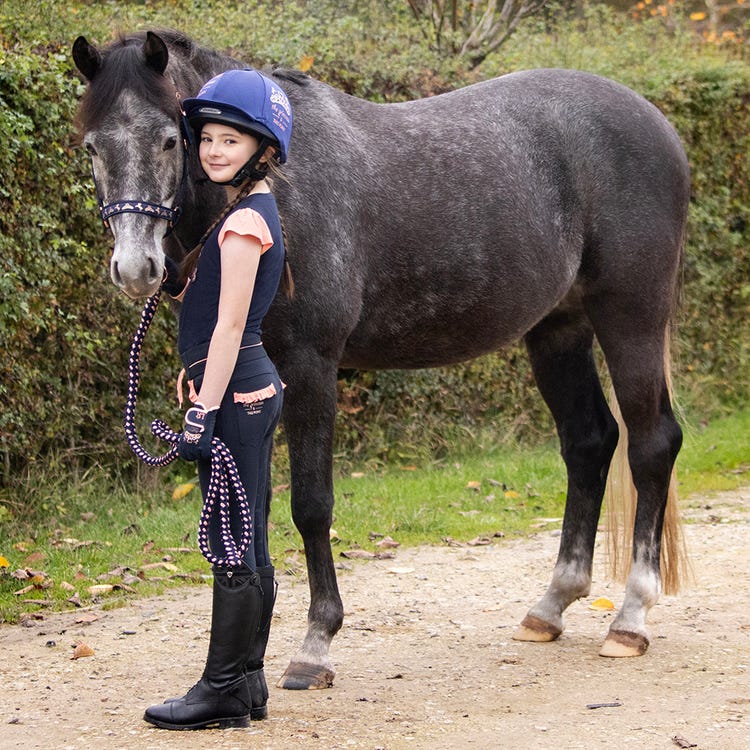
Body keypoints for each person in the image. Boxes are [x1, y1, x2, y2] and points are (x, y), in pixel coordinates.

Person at [143, 68, 293, 731]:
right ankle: (249, 682)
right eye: (206, 138)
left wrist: (203, 406)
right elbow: (212, 315)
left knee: (233, 538)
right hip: (243, 388)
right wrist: (198, 370)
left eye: (230, 140)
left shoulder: (241, 226)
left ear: (262, 148)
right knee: (247, 536)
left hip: (236, 396)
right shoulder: (247, 211)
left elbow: (234, 325)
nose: (212, 151)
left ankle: (223, 686)